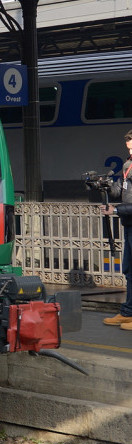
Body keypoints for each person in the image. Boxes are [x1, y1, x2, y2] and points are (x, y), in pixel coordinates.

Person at [100, 129, 132, 329]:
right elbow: (120, 190)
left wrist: (116, 210)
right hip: (129, 223)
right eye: (128, 147)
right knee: (129, 270)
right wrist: (104, 186)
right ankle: (128, 312)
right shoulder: (128, 165)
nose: (130, 150)